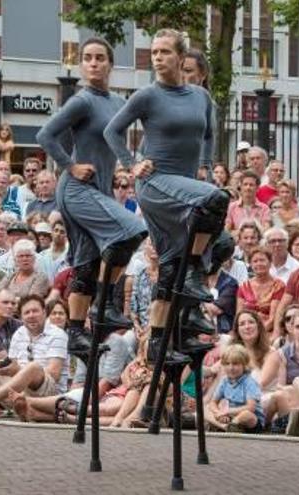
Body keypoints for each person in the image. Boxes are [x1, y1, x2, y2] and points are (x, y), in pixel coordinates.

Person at [104, 29, 233, 360]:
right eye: (154, 52)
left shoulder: (200, 97)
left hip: (188, 188)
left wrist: (204, 167)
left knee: (189, 258)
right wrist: (132, 164)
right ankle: (193, 272)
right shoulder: (147, 95)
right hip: (156, 183)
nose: (158, 57)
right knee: (217, 200)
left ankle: (164, 340)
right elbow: (112, 131)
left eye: (165, 52)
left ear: (181, 57)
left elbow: (208, 135)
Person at [36, 36, 149, 360]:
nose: (93, 63)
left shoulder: (117, 102)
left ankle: (75, 334)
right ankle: (106, 303)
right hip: (75, 189)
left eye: (100, 57)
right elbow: (46, 135)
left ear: (111, 64)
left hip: (98, 188)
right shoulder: (82, 101)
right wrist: (69, 165)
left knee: (86, 266)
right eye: (87, 58)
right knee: (132, 229)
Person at [204, 344, 264, 433]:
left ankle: (229, 425)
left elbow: (251, 407)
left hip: (250, 419)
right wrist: (218, 413)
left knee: (246, 415)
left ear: (244, 365)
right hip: (230, 416)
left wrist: (227, 412)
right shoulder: (225, 381)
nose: (231, 368)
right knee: (205, 409)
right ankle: (226, 426)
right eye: (227, 364)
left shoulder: (249, 382)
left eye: (235, 364)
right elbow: (213, 402)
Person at [236, 246, 285, 336]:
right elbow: (239, 316)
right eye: (255, 261)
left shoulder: (278, 286)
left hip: (269, 332)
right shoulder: (243, 287)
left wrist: (256, 335)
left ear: (270, 263)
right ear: (250, 264)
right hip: (246, 332)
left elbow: (273, 319)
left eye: (262, 260)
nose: (259, 264)